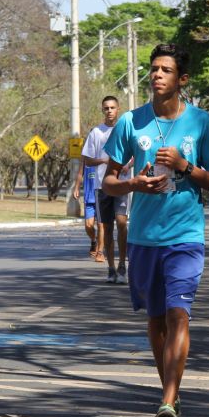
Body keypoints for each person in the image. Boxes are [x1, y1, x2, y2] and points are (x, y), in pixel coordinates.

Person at [102, 43, 209, 417]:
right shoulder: (131, 122)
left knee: (178, 314)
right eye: (154, 69)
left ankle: (168, 401)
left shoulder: (201, 122)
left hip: (185, 236)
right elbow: (108, 182)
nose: (157, 75)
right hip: (144, 238)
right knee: (156, 320)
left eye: (166, 70)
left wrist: (185, 166)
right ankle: (170, 399)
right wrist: (134, 184)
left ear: (182, 79)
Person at [81, 96, 131, 283]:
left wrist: (128, 165)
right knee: (107, 227)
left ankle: (122, 267)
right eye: (106, 108)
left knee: (122, 224)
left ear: (118, 109)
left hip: (122, 184)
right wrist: (104, 160)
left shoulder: (125, 130)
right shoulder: (96, 132)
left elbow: (135, 153)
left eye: (112, 107)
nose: (109, 111)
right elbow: (87, 160)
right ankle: (111, 269)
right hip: (102, 187)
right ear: (102, 110)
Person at [72, 162, 101, 259]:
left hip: (102, 196)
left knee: (101, 225)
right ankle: (94, 240)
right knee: (88, 225)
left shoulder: (105, 155)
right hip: (89, 197)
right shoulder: (86, 157)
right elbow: (80, 173)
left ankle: (100, 250)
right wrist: (76, 188)